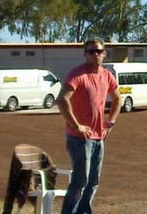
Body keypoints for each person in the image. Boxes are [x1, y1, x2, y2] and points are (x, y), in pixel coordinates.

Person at [57, 38, 121, 214]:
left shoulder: (107, 75)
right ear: (85, 54)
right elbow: (62, 99)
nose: (96, 55)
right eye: (91, 52)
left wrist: (110, 123)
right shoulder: (77, 74)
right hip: (79, 139)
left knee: (93, 181)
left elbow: (117, 99)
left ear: (104, 54)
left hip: (98, 137)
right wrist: (76, 125)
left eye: (99, 51)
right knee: (80, 181)